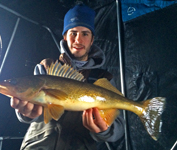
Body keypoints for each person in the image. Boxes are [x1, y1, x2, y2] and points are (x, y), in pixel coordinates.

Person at [11, 4, 125, 150]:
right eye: (73, 33)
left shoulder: (103, 78)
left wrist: (104, 130)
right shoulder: (47, 67)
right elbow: (36, 112)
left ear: (92, 39)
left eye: (85, 33)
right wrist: (26, 114)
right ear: (65, 37)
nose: (78, 40)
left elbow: (119, 127)